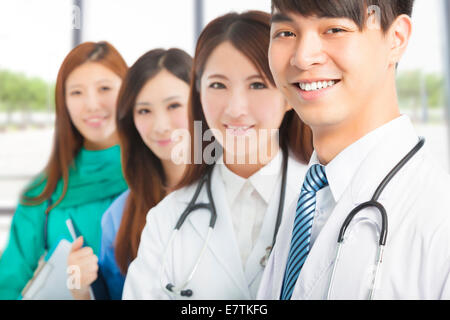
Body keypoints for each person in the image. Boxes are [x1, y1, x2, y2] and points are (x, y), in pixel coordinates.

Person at [257, 0, 450, 300]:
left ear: (396, 39)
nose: (303, 57)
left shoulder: (440, 221)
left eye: (335, 28)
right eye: (285, 32)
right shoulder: (307, 202)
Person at [122, 11, 313, 300]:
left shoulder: (326, 204)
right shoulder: (168, 218)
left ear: (290, 94)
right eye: (218, 85)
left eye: (258, 84)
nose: (235, 108)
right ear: (198, 94)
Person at [0, 41, 128, 299]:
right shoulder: (45, 191)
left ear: (128, 91)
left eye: (104, 88)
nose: (92, 105)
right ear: (64, 102)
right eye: (77, 92)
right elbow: (6, 286)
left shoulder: (159, 175)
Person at [68, 48, 193, 300]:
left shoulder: (238, 190)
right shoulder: (118, 217)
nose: (160, 126)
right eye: (144, 110)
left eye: (174, 105)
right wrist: (80, 289)